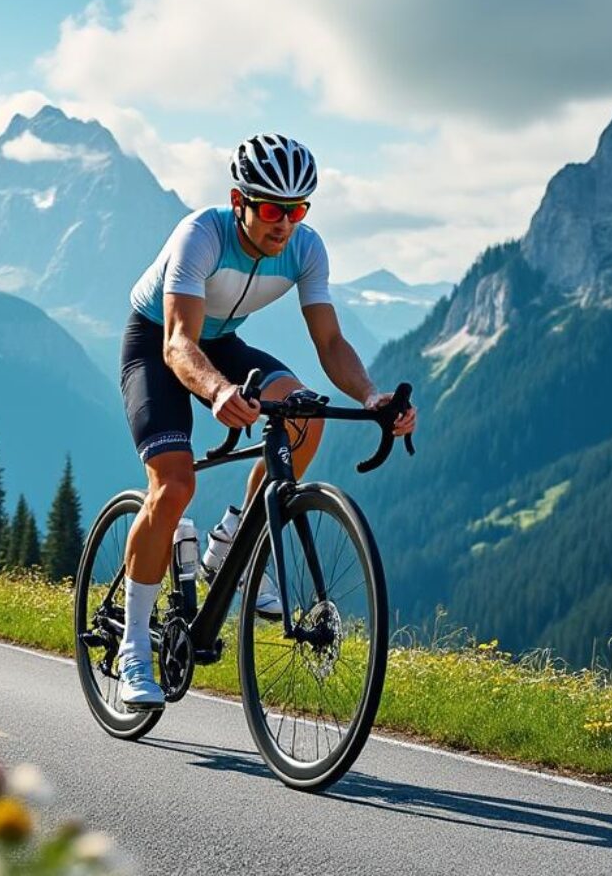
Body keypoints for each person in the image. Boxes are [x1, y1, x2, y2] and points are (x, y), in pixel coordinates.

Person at [114, 133, 418, 710]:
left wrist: (373, 395)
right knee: (175, 484)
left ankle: (233, 538)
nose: (285, 224)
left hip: (223, 340)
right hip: (156, 343)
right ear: (239, 201)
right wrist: (219, 391)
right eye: (274, 209)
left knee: (306, 414)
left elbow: (329, 341)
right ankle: (133, 645)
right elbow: (179, 343)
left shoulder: (306, 249)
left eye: (298, 210)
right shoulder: (201, 235)